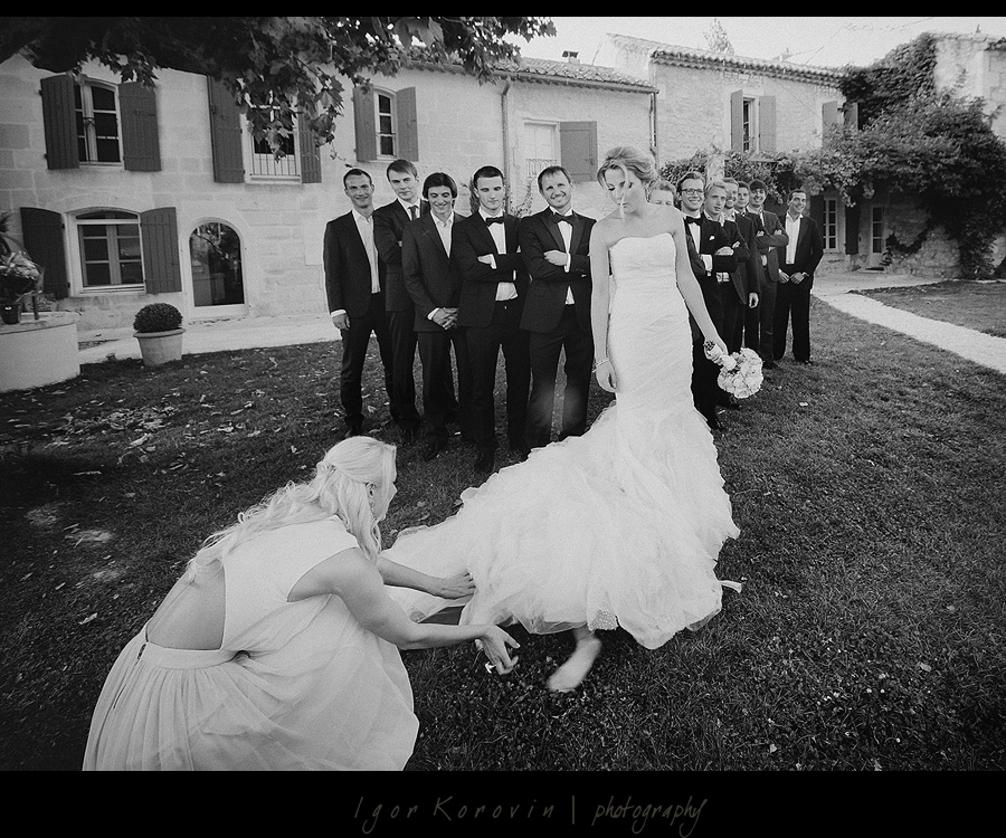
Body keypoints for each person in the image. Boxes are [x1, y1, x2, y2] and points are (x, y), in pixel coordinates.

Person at [384, 146, 740, 694]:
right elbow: (601, 295)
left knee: (674, 416)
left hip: (670, 331)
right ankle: (635, 491)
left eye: (624, 184)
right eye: (610, 187)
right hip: (630, 332)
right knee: (636, 418)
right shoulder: (603, 232)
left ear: (644, 179)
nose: (618, 195)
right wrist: (600, 353)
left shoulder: (670, 219)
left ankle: (675, 499)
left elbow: (687, 280)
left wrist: (710, 335)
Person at [82, 436, 519, 770]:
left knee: (327, 611)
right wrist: (479, 628)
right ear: (369, 491)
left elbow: (365, 566)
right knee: (346, 627)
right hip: (181, 693)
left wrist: (436, 585)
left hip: (145, 662)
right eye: (392, 485)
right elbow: (406, 635)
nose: (396, 493)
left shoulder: (302, 511)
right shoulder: (341, 559)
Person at [453, 165, 531, 476]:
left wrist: (494, 261)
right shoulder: (463, 229)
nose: (492, 195)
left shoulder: (518, 225)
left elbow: (527, 261)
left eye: (497, 188)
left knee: (519, 378)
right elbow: (469, 270)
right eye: (485, 190)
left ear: (504, 190)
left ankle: (518, 437)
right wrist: (508, 266)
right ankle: (486, 444)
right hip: (481, 316)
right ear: (475, 192)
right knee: (480, 382)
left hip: (516, 314)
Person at [518, 165, 595, 450]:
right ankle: (535, 445)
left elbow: (601, 266)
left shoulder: (591, 225)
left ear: (570, 185)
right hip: (544, 316)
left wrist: (565, 259)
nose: (556, 191)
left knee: (579, 379)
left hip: (581, 316)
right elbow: (538, 269)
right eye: (549, 188)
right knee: (543, 382)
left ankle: (572, 440)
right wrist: (580, 266)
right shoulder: (531, 225)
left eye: (561, 185)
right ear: (542, 193)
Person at [401, 172, 474, 461]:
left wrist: (460, 309)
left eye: (445, 195)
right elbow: (411, 276)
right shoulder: (414, 229)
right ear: (427, 198)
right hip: (430, 316)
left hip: (465, 314)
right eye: (434, 196)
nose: (440, 201)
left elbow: (472, 274)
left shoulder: (467, 226)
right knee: (433, 376)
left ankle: (470, 428)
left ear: (454, 197)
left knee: (470, 372)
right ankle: (436, 434)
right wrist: (435, 312)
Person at [324, 169, 396, 439]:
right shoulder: (337, 227)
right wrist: (337, 309)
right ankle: (354, 422)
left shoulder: (388, 220)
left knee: (394, 363)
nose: (360, 192)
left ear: (373, 187)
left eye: (364, 186)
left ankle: (400, 413)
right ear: (347, 193)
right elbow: (332, 272)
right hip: (354, 309)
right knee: (352, 368)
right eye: (354, 188)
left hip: (388, 304)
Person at [373, 159, 427, 443]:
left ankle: (444, 408)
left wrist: (407, 244)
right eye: (396, 182)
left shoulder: (434, 206)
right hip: (400, 298)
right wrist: (425, 246)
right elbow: (389, 254)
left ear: (416, 178)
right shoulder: (383, 216)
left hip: (432, 296)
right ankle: (406, 417)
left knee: (436, 357)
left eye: (407, 180)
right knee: (400, 360)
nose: (403, 187)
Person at [679, 174, 736, 430]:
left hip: (710, 301)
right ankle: (683, 409)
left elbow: (732, 261)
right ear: (680, 194)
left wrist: (701, 261)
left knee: (709, 355)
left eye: (698, 191)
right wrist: (711, 260)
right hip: (678, 300)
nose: (694, 195)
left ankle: (708, 411)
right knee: (682, 356)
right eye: (688, 190)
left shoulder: (714, 227)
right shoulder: (670, 225)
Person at [774, 188, 824, 364]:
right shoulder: (777, 222)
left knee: (801, 319)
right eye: (796, 200)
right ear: (789, 201)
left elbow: (818, 252)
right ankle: (775, 354)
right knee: (778, 317)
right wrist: (778, 272)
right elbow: (769, 249)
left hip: (800, 278)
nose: (800, 203)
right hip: (781, 275)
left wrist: (804, 274)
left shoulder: (810, 224)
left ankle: (802, 356)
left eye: (803, 200)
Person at [744, 180, 789, 369]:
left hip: (771, 274)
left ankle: (767, 358)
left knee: (768, 318)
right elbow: (751, 243)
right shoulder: (743, 216)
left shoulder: (771, 217)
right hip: (753, 274)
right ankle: (752, 358)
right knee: (752, 319)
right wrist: (769, 241)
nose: (758, 196)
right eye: (754, 192)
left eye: (761, 192)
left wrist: (765, 240)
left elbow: (784, 239)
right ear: (749, 195)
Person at [720, 178, 760, 355]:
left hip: (738, 288)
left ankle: (732, 377)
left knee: (735, 337)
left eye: (734, 192)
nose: (731, 196)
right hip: (715, 286)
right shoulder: (710, 218)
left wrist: (753, 289)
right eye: (727, 191)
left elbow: (751, 257)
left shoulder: (746, 224)